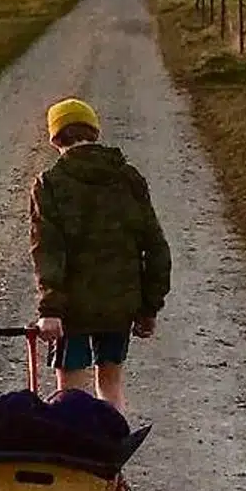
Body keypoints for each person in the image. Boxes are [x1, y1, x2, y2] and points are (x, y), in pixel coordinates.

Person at [28, 98, 171, 416]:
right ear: (94, 132)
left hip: (73, 310)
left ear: (55, 139)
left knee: (71, 394)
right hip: (120, 305)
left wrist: (50, 309)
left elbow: (47, 250)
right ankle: (113, 444)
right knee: (111, 384)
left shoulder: (50, 184)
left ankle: (77, 446)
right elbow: (156, 247)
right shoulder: (129, 178)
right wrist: (149, 307)